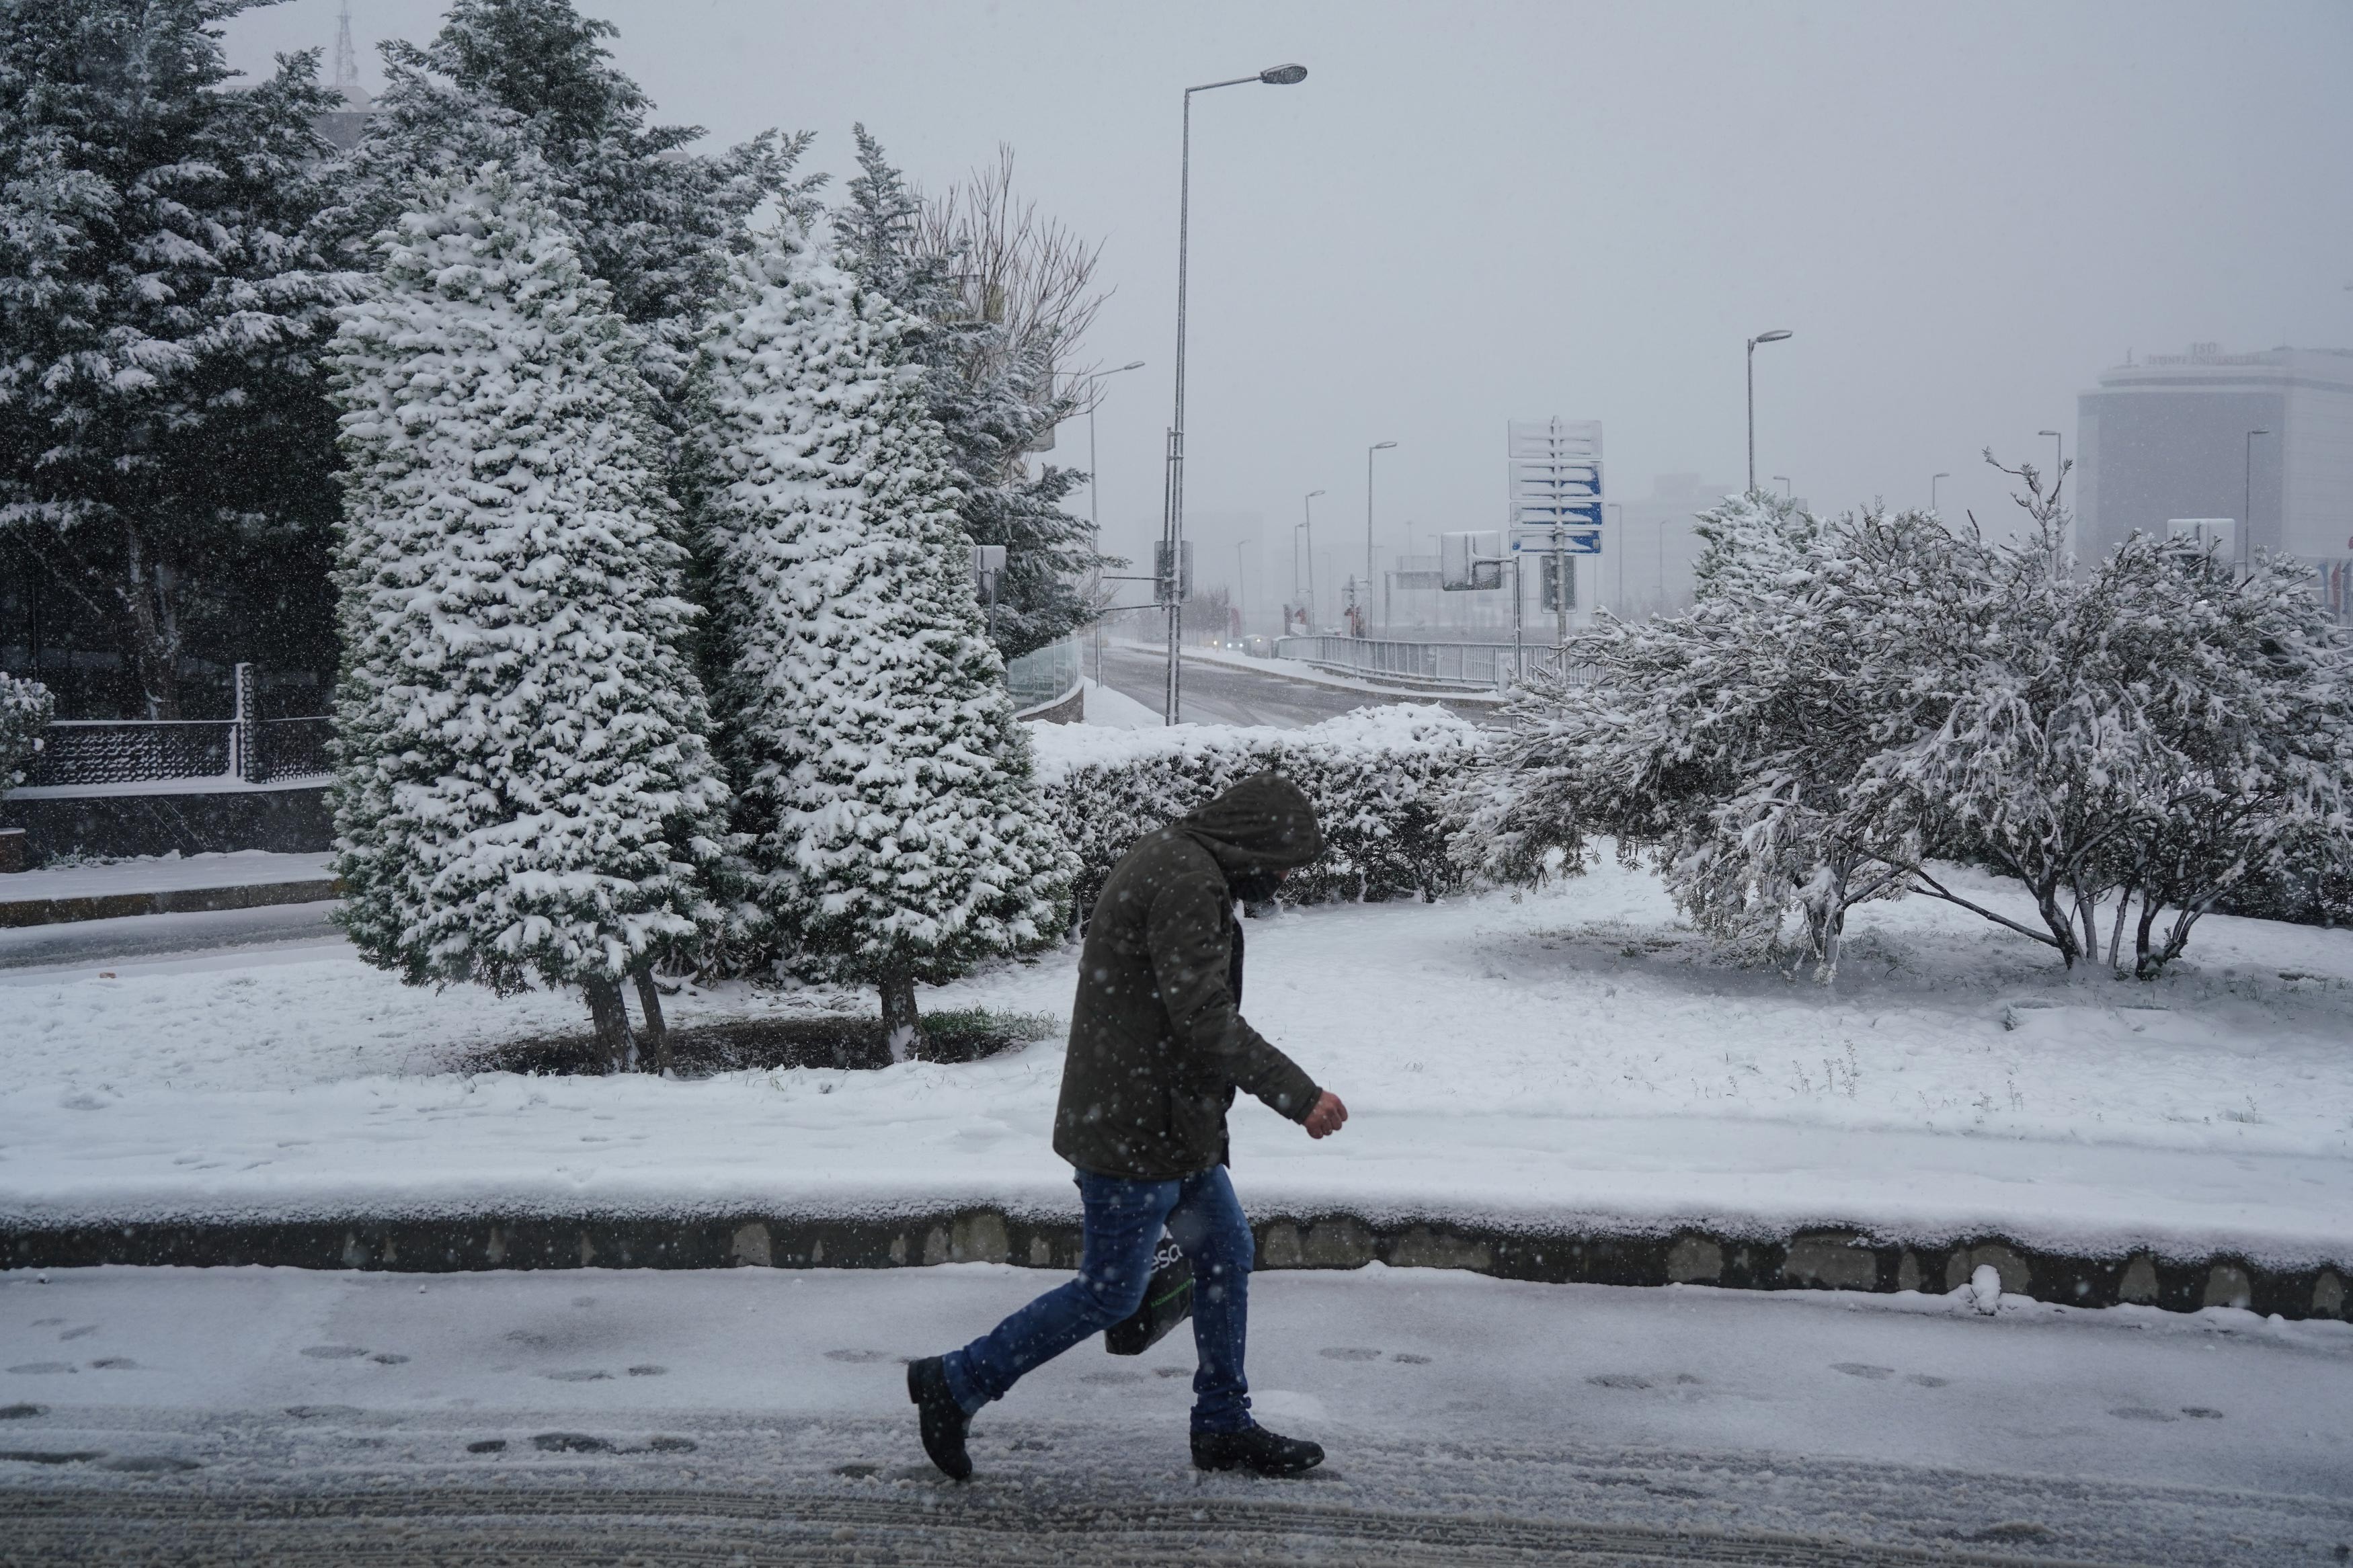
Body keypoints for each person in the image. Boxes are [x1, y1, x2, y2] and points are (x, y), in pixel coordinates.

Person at [908, 772, 1349, 1481]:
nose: (1286, 875)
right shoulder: (1186, 881)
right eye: (1282, 860)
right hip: (1132, 1128)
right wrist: (1298, 1095)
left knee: (1225, 1252)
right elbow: (1203, 1017)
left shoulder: (1184, 860)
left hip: (1168, 1122)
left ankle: (1221, 1423)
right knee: (1111, 1292)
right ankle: (955, 1380)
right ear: (1251, 843)